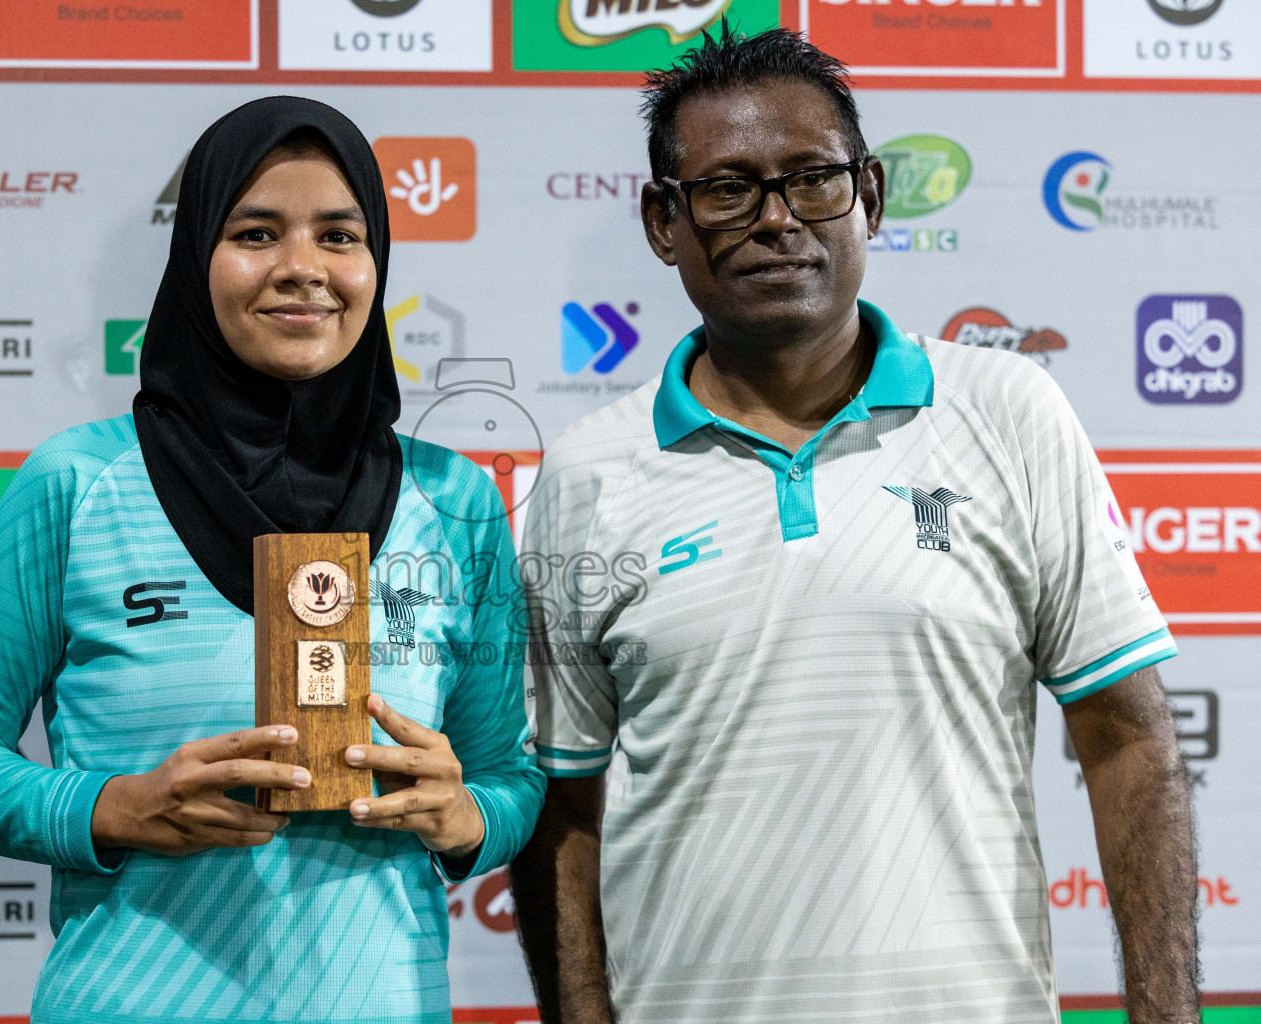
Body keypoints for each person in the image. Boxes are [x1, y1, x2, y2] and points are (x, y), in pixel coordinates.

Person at [509, 27, 1198, 1024]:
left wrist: (1167, 1016)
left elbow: (1128, 739)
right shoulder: (588, 473)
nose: (777, 219)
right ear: (664, 222)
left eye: (813, 180)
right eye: (728, 189)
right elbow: (563, 805)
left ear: (870, 195)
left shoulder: (1009, 412)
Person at [0, 96, 543, 1024]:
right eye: (255, 232)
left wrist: (465, 816)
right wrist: (110, 809)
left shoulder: (456, 501)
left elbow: (508, 780)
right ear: (196, 256)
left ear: (377, 262)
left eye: (339, 235)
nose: (302, 270)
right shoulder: (78, 483)